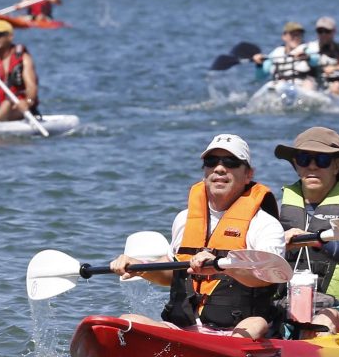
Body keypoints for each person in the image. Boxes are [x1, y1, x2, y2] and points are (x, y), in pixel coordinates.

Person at [109, 135, 286, 340]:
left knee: (256, 324)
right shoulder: (184, 219)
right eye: (211, 162)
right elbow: (172, 273)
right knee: (127, 321)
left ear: (248, 174)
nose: (219, 168)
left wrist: (222, 265)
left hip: (239, 331)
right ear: (205, 172)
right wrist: (141, 267)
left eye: (231, 162)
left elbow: (270, 276)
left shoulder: (264, 224)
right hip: (185, 332)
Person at [273, 126, 339, 338]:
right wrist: (278, 245)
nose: (312, 167)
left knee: (320, 324)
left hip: (338, 307)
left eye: (321, 160)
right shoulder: (276, 207)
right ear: (295, 165)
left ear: (336, 166)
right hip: (285, 302)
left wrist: (319, 242)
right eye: (303, 159)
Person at [251, 21, 319, 91]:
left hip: (301, 86)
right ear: (284, 36)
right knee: (274, 84)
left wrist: (307, 57)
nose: (296, 37)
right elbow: (260, 76)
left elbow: (315, 60)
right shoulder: (276, 53)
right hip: (282, 86)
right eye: (293, 34)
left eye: (299, 35)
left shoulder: (307, 49)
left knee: (309, 83)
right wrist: (259, 65)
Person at [310, 16, 339, 96]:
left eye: (327, 31)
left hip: (337, 82)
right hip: (317, 82)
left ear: (334, 31)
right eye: (320, 31)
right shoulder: (311, 47)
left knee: (336, 86)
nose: (323, 34)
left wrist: (334, 68)